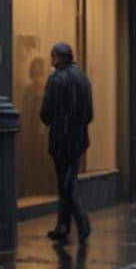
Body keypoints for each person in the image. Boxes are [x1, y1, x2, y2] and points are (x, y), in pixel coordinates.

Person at [40, 41, 93, 242]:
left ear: (59, 57)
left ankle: (81, 222)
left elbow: (46, 114)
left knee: (66, 182)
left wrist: (56, 121)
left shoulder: (55, 80)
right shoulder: (83, 79)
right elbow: (89, 113)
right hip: (78, 139)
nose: (51, 60)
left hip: (61, 140)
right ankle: (63, 226)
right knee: (68, 180)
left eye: (53, 56)